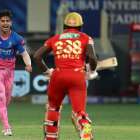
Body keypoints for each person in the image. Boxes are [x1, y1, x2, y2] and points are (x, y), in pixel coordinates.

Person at [34, 12, 97, 140]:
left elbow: (37, 56)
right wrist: (91, 70)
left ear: (64, 25)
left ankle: (51, 137)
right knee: (79, 111)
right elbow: (92, 58)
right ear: (81, 26)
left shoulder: (55, 38)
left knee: (53, 108)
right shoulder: (86, 38)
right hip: (77, 76)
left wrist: (47, 71)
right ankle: (85, 128)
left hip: (58, 76)